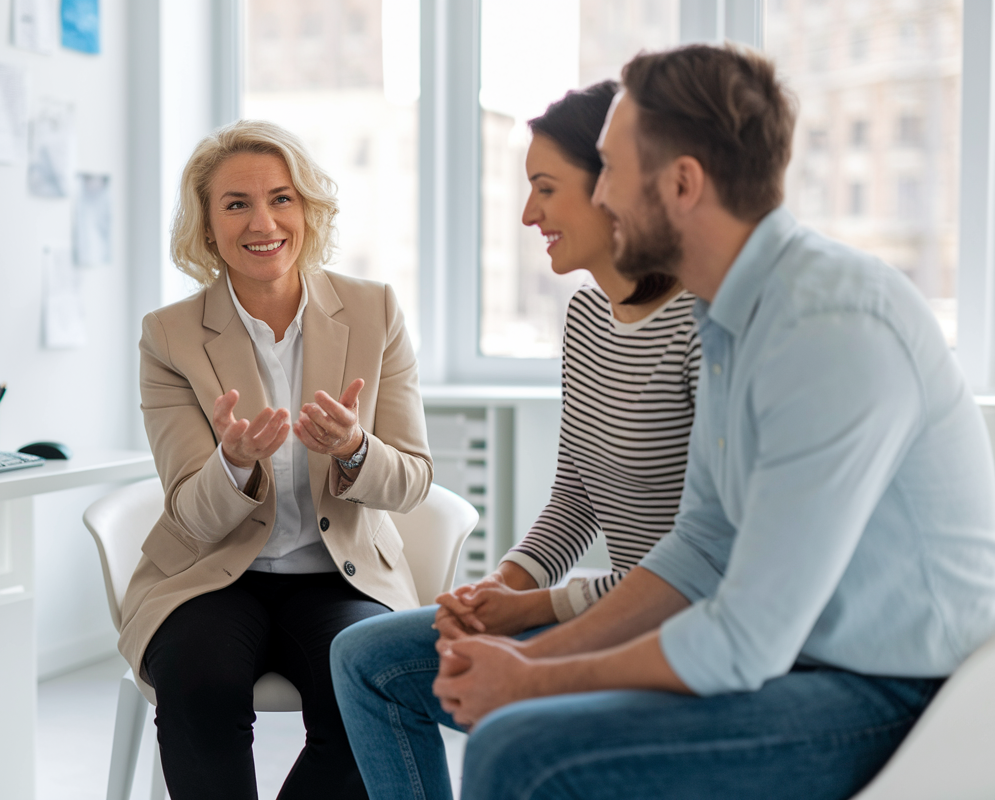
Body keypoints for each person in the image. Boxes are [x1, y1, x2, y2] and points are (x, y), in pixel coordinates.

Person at [421, 44, 995, 800]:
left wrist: (537, 678)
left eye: (612, 171)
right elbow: (699, 547)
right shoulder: (729, 317)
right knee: (513, 726)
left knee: (524, 750)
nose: (603, 198)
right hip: (803, 664)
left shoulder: (828, 324)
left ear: (683, 183)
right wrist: (533, 659)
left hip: (905, 694)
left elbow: (743, 638)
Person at [331, 81, 702, 800]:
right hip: (603, 613)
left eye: (545, 188)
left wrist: (538, 609)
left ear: (614, 186)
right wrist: (501, 586)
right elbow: (575, 499)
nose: (529, 214)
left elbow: (699, 559)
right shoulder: (589, 320)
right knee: (364, 657)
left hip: (674, 628)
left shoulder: (702, 326)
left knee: (503, 733)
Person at [116, 119, 432, 800]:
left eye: (282, 198)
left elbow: (412, 480)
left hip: (338, 577)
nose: (263, 221)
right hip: (212, 575)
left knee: (371, 691)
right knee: (198, 682)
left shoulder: (375, 312)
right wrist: (231, 463)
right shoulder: (169, 337)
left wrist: (353, 449)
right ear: (207, 227)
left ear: (308, 210)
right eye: (236, 204)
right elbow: (190, 516)